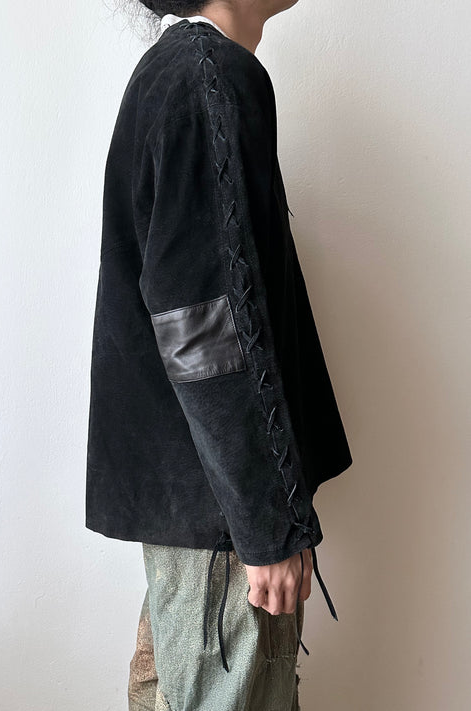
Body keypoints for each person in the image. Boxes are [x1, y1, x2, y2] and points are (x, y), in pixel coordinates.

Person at [85, 2, 353, 709]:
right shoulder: (205, 79)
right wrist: (267, 529)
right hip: (225, 529)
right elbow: (204, 327)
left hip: (209, 522)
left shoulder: (185, 73)